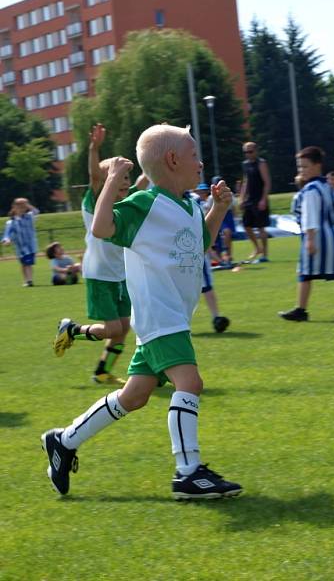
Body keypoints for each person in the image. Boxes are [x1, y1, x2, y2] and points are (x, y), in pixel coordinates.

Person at [41, 124, 242, 499]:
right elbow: (101, 228)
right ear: (172, 160)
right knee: (190, 383)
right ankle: (189, 472)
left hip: (170, 316)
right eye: (194, 154)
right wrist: (113, 176)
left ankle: (63, 442)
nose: (201, 162)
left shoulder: (187, 205)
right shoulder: (144, 205)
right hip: (160, 316)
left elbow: (199, 244)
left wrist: (219, 208)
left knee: (133, 396)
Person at [52, 123, 132, 385]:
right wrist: (94, 148)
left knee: (123, 328)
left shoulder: (127, 204)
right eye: (118, 176)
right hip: (99, 274)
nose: (125, 182)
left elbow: (148, 180)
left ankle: (102, 371)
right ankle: (73, 330)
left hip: (120, 276)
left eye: (127, 178)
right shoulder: (97, 200)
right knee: (112, 329)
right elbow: (95, 177)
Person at [279, 146, 334, 321]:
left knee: (305, 274)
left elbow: (310, 216)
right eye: (299, 167)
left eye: (305, 166)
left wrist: (309, 239)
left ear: (317, 165)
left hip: (318, 237)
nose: (301, 171)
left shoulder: (310, 190)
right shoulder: (327, 185)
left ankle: (301, 310)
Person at [191, 181, 230, 333]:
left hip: (195, 250)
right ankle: (215, 316)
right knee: (203, 286)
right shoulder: (192, 201)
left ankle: (215, 316)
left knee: (203, 286)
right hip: (193, 252)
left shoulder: (194, 200)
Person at [240, 141, 271, 263]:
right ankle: (257, 248)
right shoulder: (245, 164)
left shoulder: (261, 163)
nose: (248, 154)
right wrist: (242, 198)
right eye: (245, 152)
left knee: (261, 227)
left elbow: (267, 182)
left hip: (260, 198)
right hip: (250, 199)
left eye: (250, 151)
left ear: (256, 151)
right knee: (246, 225)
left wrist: (264, 199)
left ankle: (265, 255)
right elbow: (245, 181)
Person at [2, 197, 38, 287]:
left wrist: (27, 204)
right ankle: (28, 280)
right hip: (21, 247)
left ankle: (28, 280)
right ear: (14, 207)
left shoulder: (29, 217)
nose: (22, 208)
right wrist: (7, 240)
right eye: (19, 206)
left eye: (23, 206)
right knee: (25, 263)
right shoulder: (11, 222)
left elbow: (36, 211)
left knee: (28, 263)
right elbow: (7, 233)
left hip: (31, 246)